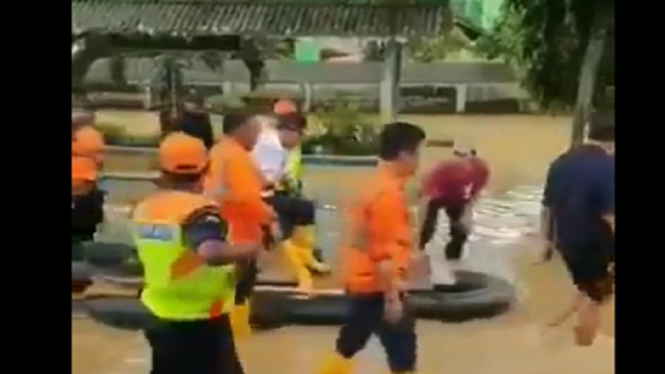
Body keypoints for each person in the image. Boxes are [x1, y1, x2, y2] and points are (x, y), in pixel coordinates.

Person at [136, 132, 260, 374]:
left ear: (162, 172)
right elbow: (210, 252)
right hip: (202, 320)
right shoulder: (200, 211)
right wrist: (250, 248)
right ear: (206, 170)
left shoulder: (146, 208)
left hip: (159, 313)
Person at [317, 122, 427, 374]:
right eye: (418, 153)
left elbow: (361, 238)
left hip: (363, 280)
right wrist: (393, 298)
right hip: (380, 285)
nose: (419, 161)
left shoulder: (375, 184)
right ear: (404, 154)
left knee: (349, 344)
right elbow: (383, 252)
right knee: (403, 355)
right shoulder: (388, 195)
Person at [541, 112, 615, 346]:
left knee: (588, 288)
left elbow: (547, 209)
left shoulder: (561, 161)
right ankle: (584, 345)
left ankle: (580, 306)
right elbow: (610, 215)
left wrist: (547, 244)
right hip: (597, 247)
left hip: (568, 243)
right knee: (598, 298)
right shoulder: (608, 166)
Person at [205, 110, 277, 338]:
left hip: (219, 227)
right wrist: (270, 218)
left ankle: (226, 328)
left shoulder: (217, 152)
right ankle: (238, 333)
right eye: (255, 131)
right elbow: (248, 198)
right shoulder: (236, 157)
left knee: (227, 285)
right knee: (241, 285)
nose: (257, 137)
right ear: (241, 129)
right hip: (239, 229)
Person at [252, 111, 331, 292]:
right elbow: (266, 182)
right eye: (300, 135)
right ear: (290, 131)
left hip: (268, 192)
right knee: (283, 220)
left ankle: (308, 258)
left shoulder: (281, 146)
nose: (301, 141)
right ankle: (301, 273)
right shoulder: (271, 146)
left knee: (304, 209)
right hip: (256, 196)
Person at [418, 141, 489, 261]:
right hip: (437, 195)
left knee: (461, 232)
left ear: (473, 155)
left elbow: (474, 193)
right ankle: (419, 251)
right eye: (458, 156)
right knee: (427, 228)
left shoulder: (481, 169)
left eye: (465, 156)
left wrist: (467, 215)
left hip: (457, 197)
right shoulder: (442, 169)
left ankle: (453, 260)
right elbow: (425, 198)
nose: (461, 161)